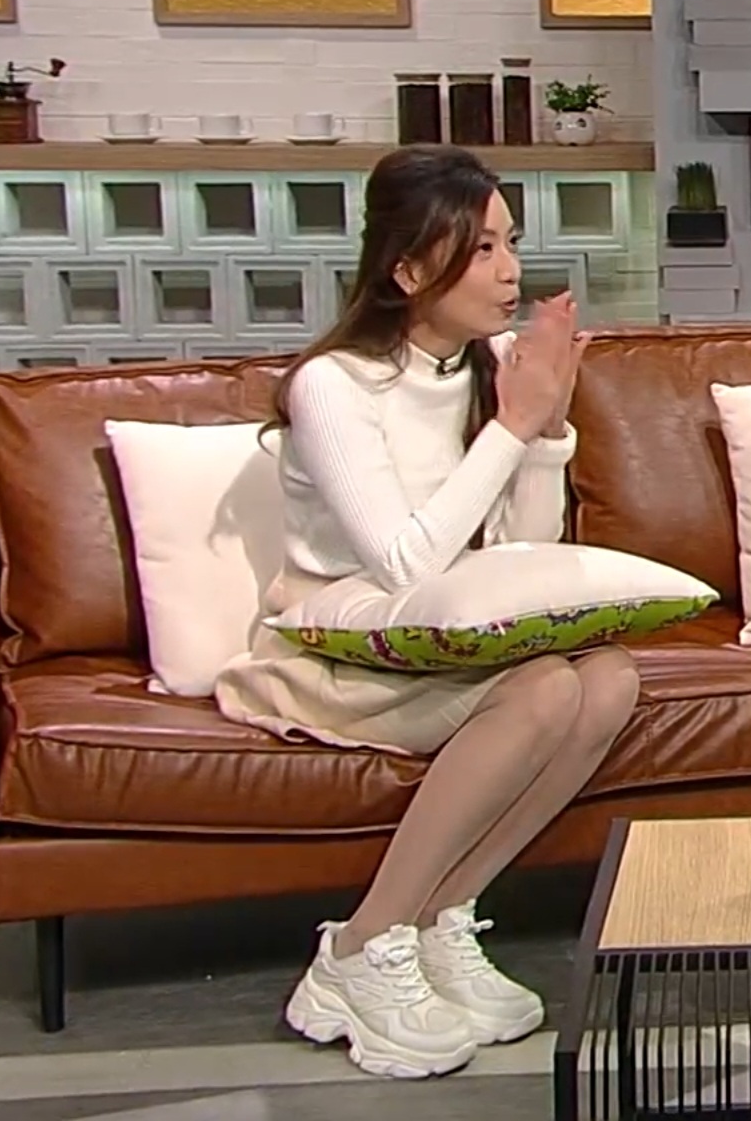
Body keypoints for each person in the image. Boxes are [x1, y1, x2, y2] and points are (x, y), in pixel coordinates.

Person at [215, 145, 640, 1078]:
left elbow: (519, 555)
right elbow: (403, 563)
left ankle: (444, 917)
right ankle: (362, 946)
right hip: (339, 648)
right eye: (480, 249)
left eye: (510, 243)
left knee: (608, 679)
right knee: (541, 690)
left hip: (445, 642)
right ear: (408, 271)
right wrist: (513, 426)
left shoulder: (485, 369)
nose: (509, 271)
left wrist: (545, 429)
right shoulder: (334, 385)